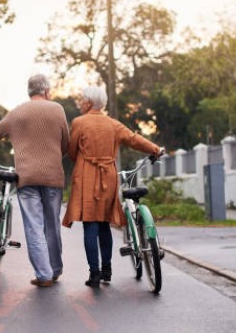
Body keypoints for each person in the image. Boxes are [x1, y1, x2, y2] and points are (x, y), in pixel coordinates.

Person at [0, 74, 69, 288]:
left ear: (29, 91)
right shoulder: (57, 109)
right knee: (52, 225)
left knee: (34, 225)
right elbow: (66, 143)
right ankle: (56, 269)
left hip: (27, 178)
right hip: (53, 176)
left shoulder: (16, 113)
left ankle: (44, 275)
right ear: (47, 91)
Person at [62, 86, 163, 288]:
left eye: (82, 100)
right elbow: (134, 139)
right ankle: (107, 269)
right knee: (104, 223)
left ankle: (95, 273)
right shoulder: (113, 124)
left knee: (89, 224)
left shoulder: (79, 123)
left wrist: (84, 157)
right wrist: (155, 149)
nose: (81, 103)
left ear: (89, 102)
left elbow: (72, 152)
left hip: (86, 176)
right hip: (108, 176)